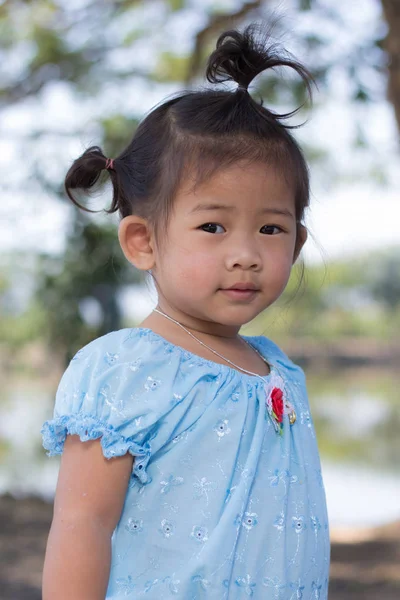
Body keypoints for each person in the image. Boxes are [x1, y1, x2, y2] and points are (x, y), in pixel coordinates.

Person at [41, 23, 330, 600]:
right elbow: (82, 526)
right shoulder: (124, 370)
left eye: (270, 228)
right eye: (212, 226)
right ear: (144, 240)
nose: (246, 254)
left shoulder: (281, 372)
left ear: (295, 244)